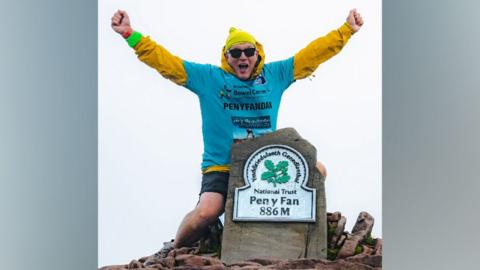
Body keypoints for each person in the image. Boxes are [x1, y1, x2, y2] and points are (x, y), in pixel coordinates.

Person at [111, 8, 363, 264]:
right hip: (221, 164)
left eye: (248, 51)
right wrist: (130, 34)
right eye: (235, 52)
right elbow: (166, 62)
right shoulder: (209, 78)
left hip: (263, 163)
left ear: (257, 54)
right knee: (207, 212)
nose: (242, 57)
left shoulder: (276, 75)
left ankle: (297, 238)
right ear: (227, 56)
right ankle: (173, 246)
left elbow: (313, 54)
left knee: (317, 171)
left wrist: (346, 31)